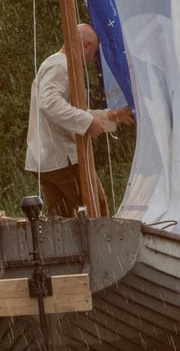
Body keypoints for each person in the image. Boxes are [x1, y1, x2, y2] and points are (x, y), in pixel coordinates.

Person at [27, 24, 132, 218]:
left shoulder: (55, 64)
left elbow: (68, 109)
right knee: (96, 209)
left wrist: (108, 116)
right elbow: (50, 104)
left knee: (62, 218)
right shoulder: (61, 65)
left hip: (47, 159)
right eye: (93, 52)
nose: (91, 59)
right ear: (85, 46)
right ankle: (98, 239)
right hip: (62, 159)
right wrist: (88, 122)